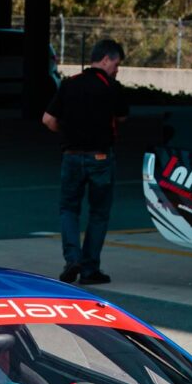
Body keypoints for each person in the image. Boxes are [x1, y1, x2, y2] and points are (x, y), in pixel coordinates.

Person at [41, 38, 129, 286]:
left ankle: (72, 259)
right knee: (98, 213)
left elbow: (48, 119)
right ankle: (90, 269)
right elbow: (122, 117)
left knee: (69, 208)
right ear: (106, 60)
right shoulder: (111, 87)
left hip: (71, 155)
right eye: (116, 64)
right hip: (101, 157)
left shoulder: (70, 84)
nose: (117, 70)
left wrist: (69, 132)